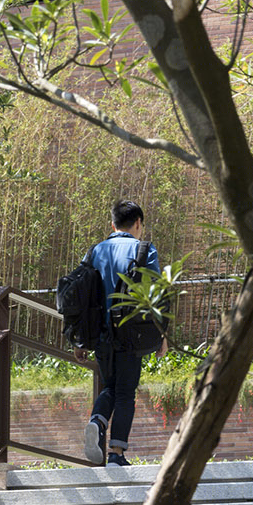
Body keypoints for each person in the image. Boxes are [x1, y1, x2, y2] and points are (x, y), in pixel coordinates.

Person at [77, 198, 168, 467]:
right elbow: (156, 295)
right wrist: (161, 334)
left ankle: (97, 421)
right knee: (126, 392)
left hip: (100, 334)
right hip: (132, 333)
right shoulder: (144, 250)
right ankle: (116, 454)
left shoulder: (95, 252)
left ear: (112, 224)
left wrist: (81, 339)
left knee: (110, 386)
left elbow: (82, 296)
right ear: (138, 223)